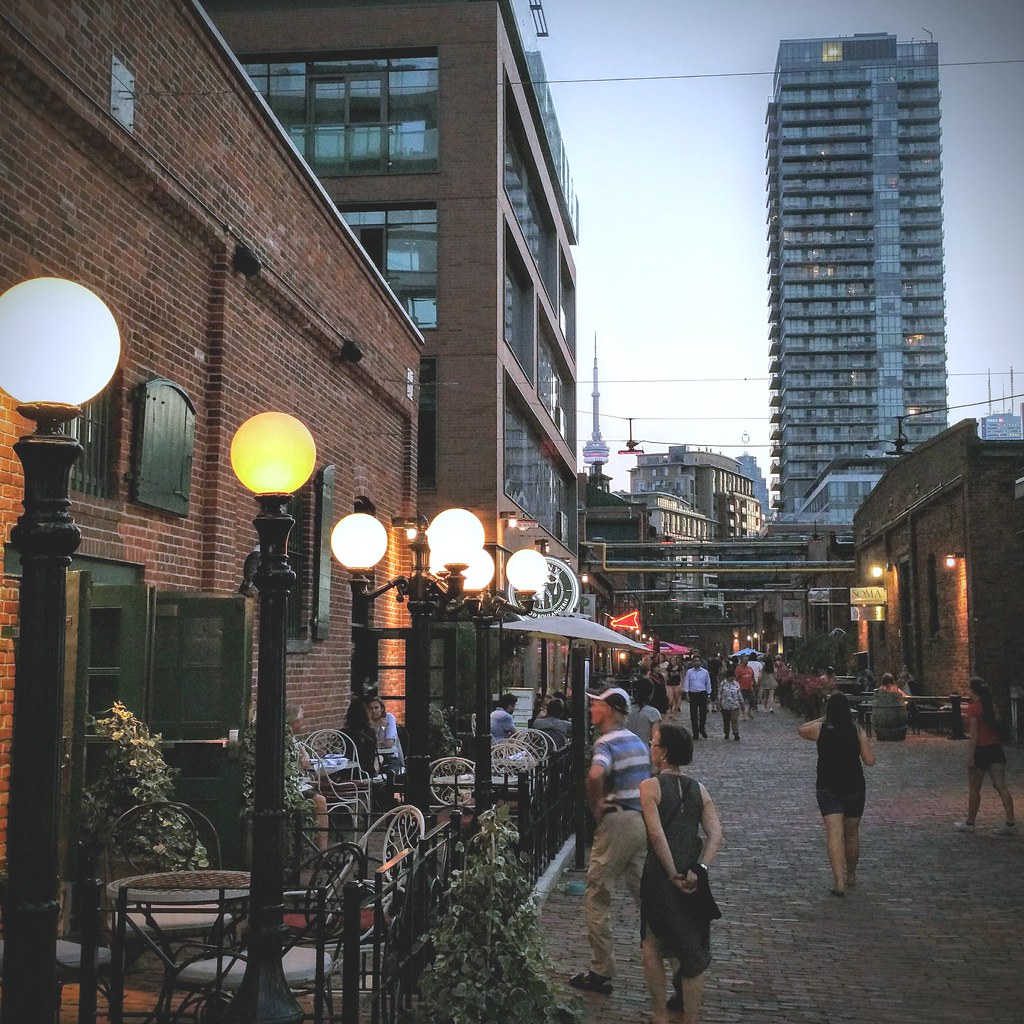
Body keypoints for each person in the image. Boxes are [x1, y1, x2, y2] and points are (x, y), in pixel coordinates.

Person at [569, 686, 651, 995]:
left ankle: (601, 969)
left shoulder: (606, 742)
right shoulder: (638, 743)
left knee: (597, 894)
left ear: (612, 710)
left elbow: (595, 774)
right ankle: (675, 964)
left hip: (616, 822)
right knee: (647, 897)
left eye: (597, 705)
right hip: (640, 822)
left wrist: (597, 805)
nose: (592, 709)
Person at [640, 722, 723, 1024]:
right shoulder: (698, 789)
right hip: (692, 877)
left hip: (660, 877)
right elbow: (716, 834)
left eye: (654, 743)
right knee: (692, 948)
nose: (651, 747)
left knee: (651, 942)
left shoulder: (650, 787)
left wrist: (672, 872)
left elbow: (657, 834)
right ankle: (691, 1017)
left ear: (663, 752)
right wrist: (700, 868)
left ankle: (660, 1013)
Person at [798, 693, 875, 896]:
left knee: (834, 833)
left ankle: (839, 882)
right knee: (851, 833)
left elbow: (801, 729)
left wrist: (822, 718)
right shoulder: (858, 731)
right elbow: (869, 761)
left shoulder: (821, 728)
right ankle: (851, 875)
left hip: (828, 786)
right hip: (854, 786)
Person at [954, 677, 1016, 835]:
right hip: (995, 749)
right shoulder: (992, 706)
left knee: (974, 789)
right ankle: (1010, 823)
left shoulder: (973, 708)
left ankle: (970, 822)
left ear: (972, 691)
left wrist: (970, 756)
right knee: (1001, 785)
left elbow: (974, 734)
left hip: (981, 750)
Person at [286, 704, 330, 850]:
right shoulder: (287, 739)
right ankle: (322, 851)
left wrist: (303, 752)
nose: (303, 723)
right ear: (295, 722)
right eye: (301, 720)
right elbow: (304, 764)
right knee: (321, 801)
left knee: (319, 797)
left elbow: (304, 757)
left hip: (295, 784)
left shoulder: (292, 738)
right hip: (290, 787)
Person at [368, 696, 405, 774]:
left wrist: (382, 727)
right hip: (372, 756)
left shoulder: (388, 718)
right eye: (370, 708)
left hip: (390, 756)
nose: (373, 711)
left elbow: (389, 743)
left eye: (376, 708)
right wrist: (373, 727)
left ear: (381, 709)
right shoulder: (367, 722)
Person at [625, 677, 662, 748]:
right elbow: (656, 739)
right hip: (645, 751)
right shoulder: (653, 713)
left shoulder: (627, 710)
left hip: (627, 750)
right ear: (651, 693)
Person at [683, 656, 711, 740]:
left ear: (701, 662)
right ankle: (695, 732)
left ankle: (702, 728)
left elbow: (708, 683)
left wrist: (709, 694)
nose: (696, 663)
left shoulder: (705, 672)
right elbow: (686, 682)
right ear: (692, 662)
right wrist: (687, 693)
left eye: (698, 661)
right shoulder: (689, 672)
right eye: (694, 661)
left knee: (703, 713)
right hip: (693, 693)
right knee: (693, 715)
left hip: (702, 693)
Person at [717, 665, 742, 741]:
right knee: (726, 720)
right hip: (725, 705)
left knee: (734, 720)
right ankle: (726, 733)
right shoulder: (723, 684)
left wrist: (742, 702)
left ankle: (736, 733)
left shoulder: (736, 684)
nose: (732, 678)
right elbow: (719, 694)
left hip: (735, 705)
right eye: (731, 676)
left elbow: (739, 693)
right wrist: (718, 703)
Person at [735, 655, 756, 721]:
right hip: (742, 688)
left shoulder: (749, 668)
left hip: (749, 687)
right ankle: (743, 714)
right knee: (742, 702)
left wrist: (754, 685)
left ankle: (748, 711)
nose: (746, 661)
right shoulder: (738, 669)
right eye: (745, 660)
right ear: (741, 660)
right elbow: (736, 678)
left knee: (753, 701)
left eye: (747, 660)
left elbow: (752, 677)